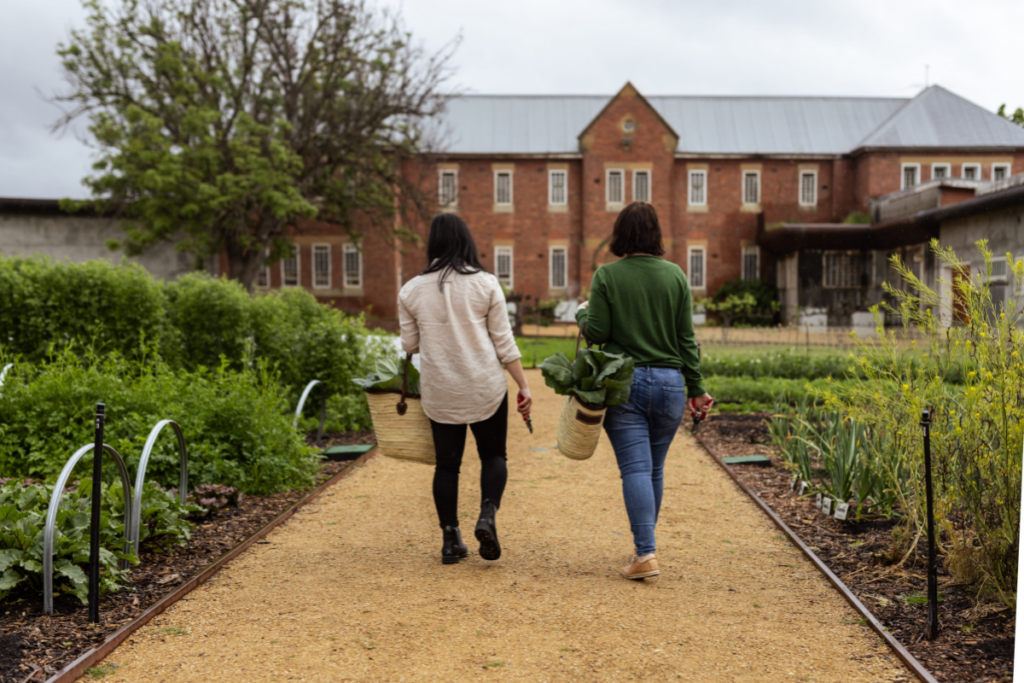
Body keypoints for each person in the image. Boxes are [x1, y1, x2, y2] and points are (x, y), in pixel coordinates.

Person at [576, 202, 713, 581]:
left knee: (635, 468)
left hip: (626, 381)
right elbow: (687, 340)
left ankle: (645, 553)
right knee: (654, 467)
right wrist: (697, 388)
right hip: (670, 384)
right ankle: (644, 547)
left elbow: (598, 333)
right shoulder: (676, 276)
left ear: (620, 234)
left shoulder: (607, 275)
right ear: (656, 235)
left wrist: (582, 314)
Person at [399, 213, 533, 565]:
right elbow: (504, 343)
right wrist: (523, 385)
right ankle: (487, 516)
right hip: (484, 385)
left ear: (433, 243)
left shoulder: (410, 290)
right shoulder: (486, 284)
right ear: (466, 241)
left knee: (447, 466)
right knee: (493, 456)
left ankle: (449, 539)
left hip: (441, 390)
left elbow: (410, 345)